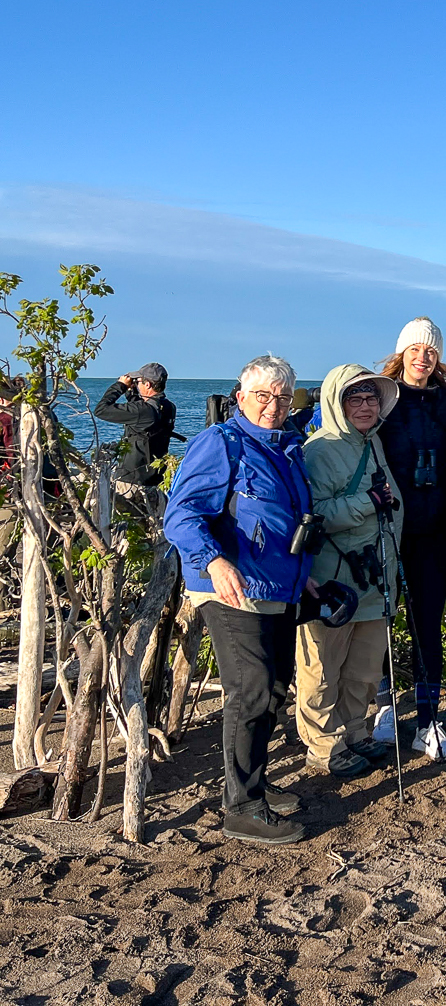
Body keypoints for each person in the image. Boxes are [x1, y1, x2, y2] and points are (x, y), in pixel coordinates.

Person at [164, 355, 314, 845]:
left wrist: (303, 577)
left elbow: (287, 526)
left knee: (272, 689)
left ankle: (254, 783)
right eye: (263, 396)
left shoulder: (290, 448)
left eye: (283, 397)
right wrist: (213, 561)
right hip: (231, 587)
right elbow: (182, 514)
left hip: (278, 587)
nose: (273, 405)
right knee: (250, 688)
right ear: (241, 396)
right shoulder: (221, 442)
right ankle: (242, 808)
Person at [296, 365, 408, 778]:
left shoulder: (373, 441)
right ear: (335, 403)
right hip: (333, 578)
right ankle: (324, 746)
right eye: (355, 399)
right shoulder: (318, 450)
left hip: (375, 575)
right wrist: (367, 502)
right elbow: (312, 514)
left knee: (363, 666)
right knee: (322, 665)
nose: (365, 406)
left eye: (371, 398)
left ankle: (355, 731)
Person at [377, 317, 446, 760]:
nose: (423, 356)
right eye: (415, 349)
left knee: (428, 625)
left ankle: (428, 719)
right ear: (402, 353)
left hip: (433, 530)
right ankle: (383, 709)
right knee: (380, 621)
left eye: (430, 350)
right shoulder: (381, 399)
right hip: (388, 528)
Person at [93, 363, 177, 495]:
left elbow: (101, 410)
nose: (137, 385)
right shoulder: (168, 407)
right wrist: (131, 392)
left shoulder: (143, 411)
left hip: (131, 481)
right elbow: (141, 415)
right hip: (155, 478)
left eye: (138, 382)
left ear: (147, 384)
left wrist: (120, 386)